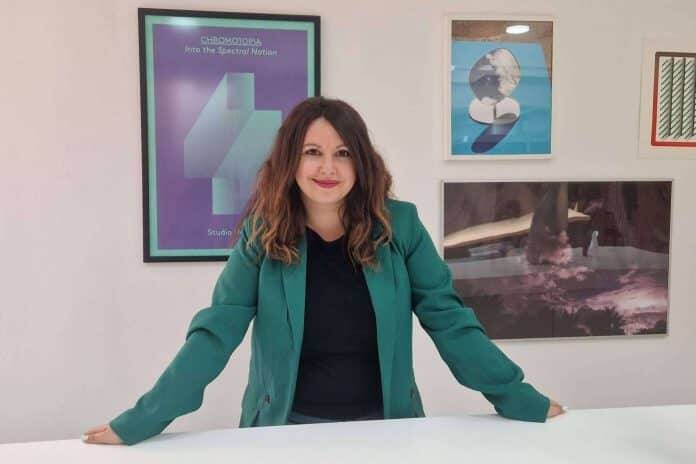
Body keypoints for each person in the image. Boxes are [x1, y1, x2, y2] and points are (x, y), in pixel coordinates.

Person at [83, 97, 565, 446]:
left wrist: (518, 396)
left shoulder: (400, 226)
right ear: (290, 161)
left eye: (343, 153)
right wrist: (142, 420)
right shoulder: (261, 232)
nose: (327, 167)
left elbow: (450, 321)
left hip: (387, 428)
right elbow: (215, 333)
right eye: (312, 152)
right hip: (286, 431)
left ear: (361, 162)